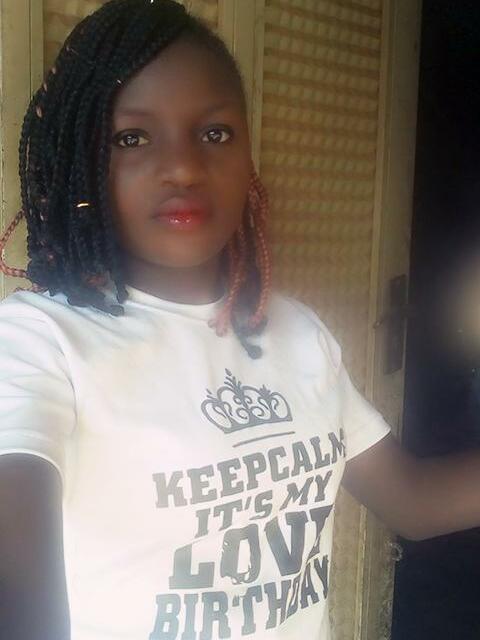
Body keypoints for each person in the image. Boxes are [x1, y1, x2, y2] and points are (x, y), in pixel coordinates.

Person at [0, 1, 479, 639]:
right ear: (78, 160)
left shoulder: (297, 332)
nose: (183, 167)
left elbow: (411, 499)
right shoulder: (39, 343)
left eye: (216, 133)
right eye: (131, 137)